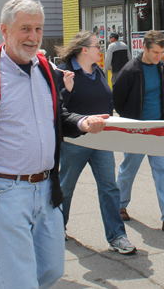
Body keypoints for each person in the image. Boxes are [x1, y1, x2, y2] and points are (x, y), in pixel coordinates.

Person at [0, 0, 108, 289]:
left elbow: (55, 116)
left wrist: (81, 122)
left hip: (47, 192)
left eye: (38, 28)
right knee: (17, 282)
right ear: (4, 30)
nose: (33, 36)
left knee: (51, 272)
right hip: (6, 194)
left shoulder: (44, 69)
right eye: (25, 28)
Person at [55, 31, 136, 254]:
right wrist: (67, 90)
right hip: (75, 141)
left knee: (109, 188)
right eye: (97, 46)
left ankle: (117, 236)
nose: (101, 50)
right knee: (65, 187)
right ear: (84, 50)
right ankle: (55, 229)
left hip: (102, 139)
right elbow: (56, 108)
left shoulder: (97, 70)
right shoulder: (64, 71)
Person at [113, 30, 164, 233]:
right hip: (136, 130)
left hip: (159, 129)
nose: (159, 56)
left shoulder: (163, 67)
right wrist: (131, 121)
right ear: (144, 49)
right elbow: (117, 100)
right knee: (128, 170)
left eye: (162, 52)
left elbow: (162, 95)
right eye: (155, 52)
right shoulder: (130, 70)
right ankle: (119, 206)